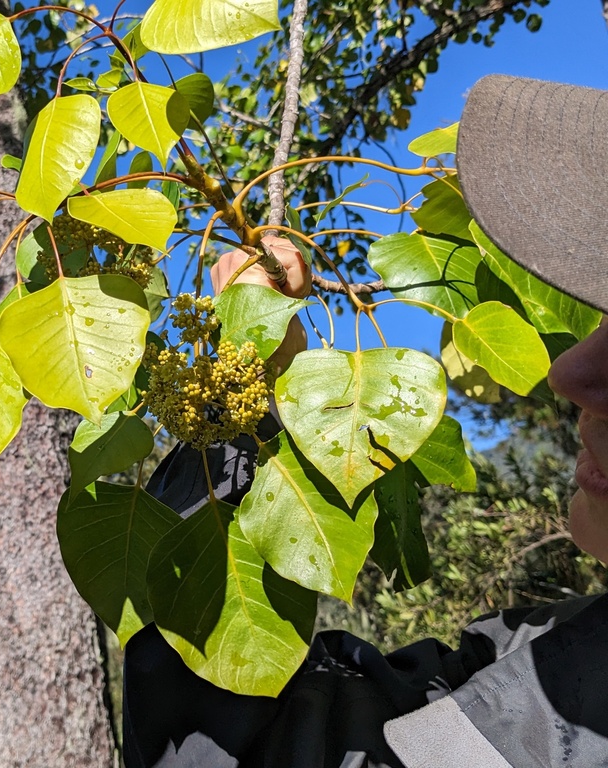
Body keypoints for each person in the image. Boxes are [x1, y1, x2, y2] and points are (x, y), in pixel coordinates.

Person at [123, 75, 608, 767]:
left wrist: (240, 408)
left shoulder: (556, 715)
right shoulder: (545, 653)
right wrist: (271, 389)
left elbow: (230, 755)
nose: (569, 376)